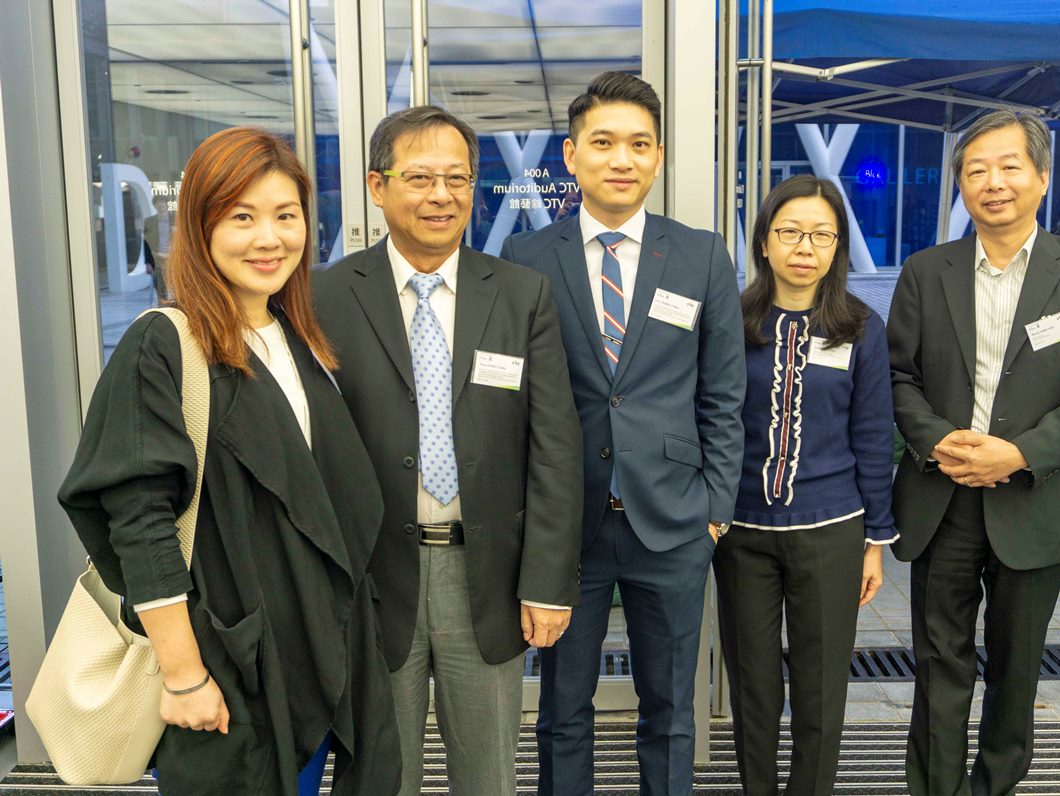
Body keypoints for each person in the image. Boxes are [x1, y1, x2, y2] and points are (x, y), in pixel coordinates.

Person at [57, 127, 400, 795]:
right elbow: (140, 521)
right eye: (242, 217)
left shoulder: (295, 337)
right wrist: (184, 675)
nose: (269, 238)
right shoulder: (164, 344)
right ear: (200, 224)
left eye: (286, 215)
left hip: (319, 653)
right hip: (232, 666)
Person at [314, 106, 583, 796]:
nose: (442, 195)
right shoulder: (324, 296)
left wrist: (547, 582)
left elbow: (555, 446)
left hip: (487, 574)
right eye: (421, 178)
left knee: (490, 775)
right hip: (373, 579)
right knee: (380, 775)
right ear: (377, 187)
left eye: (457, 179)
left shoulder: (520, 294)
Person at [501, 71, 746, 796]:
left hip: (673, 520)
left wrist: (715, 509)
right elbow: (513, 401)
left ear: (659, 156)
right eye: (603, 142)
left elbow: (723, 394)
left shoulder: (700, 255)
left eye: (639, 144)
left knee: (670, 709)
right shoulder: (526, 257)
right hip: (565, 525)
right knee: (561, 709)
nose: (622, 159)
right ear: (571, 155)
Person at [887, 109, 1060, 795]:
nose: (993, 182)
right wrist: (937, 439)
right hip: (942, 497)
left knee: (1016, 667)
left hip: (1032, 499)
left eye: (1008, 166)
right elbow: (897, 378)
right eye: (976, 170)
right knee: (939, 662)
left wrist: (1018, 454)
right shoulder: (925, 271)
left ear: (1041, 177)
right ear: (961, 184)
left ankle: (993, 786)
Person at [715, 174, 896, 796]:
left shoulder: (862, 327)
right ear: (764, 242)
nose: (804, 247)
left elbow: (873, 435)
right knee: (753, 682)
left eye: (822, 234)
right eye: (790, 231)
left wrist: (876, 540)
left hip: (831, 530)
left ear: (837, 246)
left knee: (821, 685)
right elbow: (709, 420)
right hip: (741, 532)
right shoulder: (730, 322)